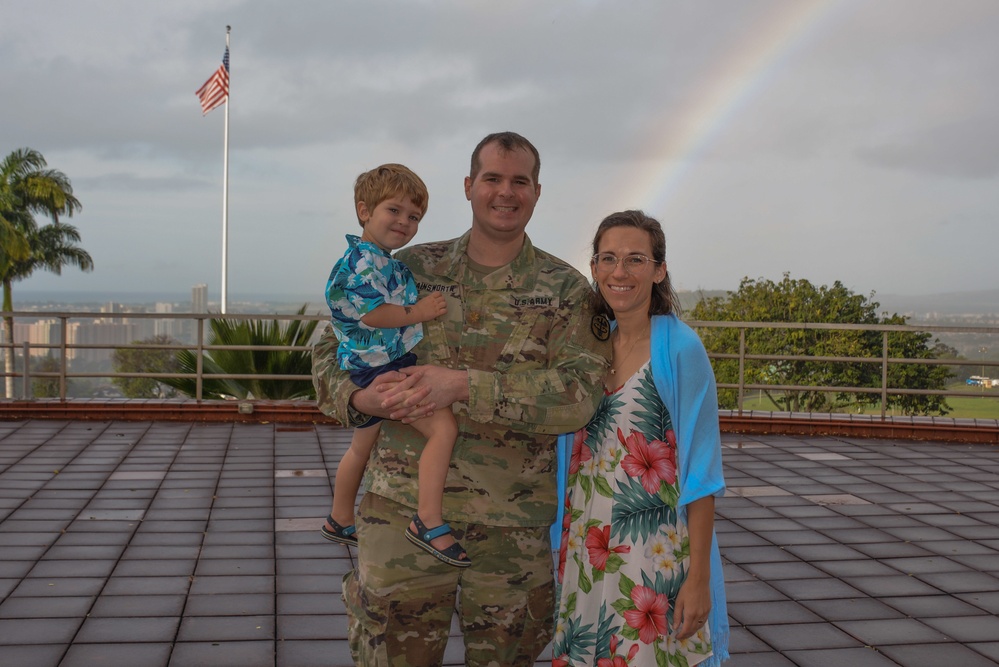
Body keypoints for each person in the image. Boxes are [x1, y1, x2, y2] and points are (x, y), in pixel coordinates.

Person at [312, 131, 612, 666]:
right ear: (470, 186)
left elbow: (580, 396)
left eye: (520, 181)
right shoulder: (407, 268)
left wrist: (465, 386)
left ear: (537, 192)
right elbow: (327, 349)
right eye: (493, 178)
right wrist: (363, 399)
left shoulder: (567, 292)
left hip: (509, 534)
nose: (506, 192)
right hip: (399, 519)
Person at [552, 210, 729, 666]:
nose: (620, 272)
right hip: (588, 549)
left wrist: (698, 579)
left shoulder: (681, 350)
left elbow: (702, 472)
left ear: (659, 269)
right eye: (608, 258)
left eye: (635, 259)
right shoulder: (585, 349)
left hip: (654, 555)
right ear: (593, 268)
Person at [320, 163, 468, 567]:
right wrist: (418, 311)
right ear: (364, 210)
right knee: (443, 428)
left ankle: (339, 517)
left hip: (373, 365)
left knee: (360, 446)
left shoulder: (381, 259)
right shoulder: (363, 263)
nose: (404, 222)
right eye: (394, 210)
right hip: (379, 368)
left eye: (414, 216)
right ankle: (428, 519)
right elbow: (374, 314)